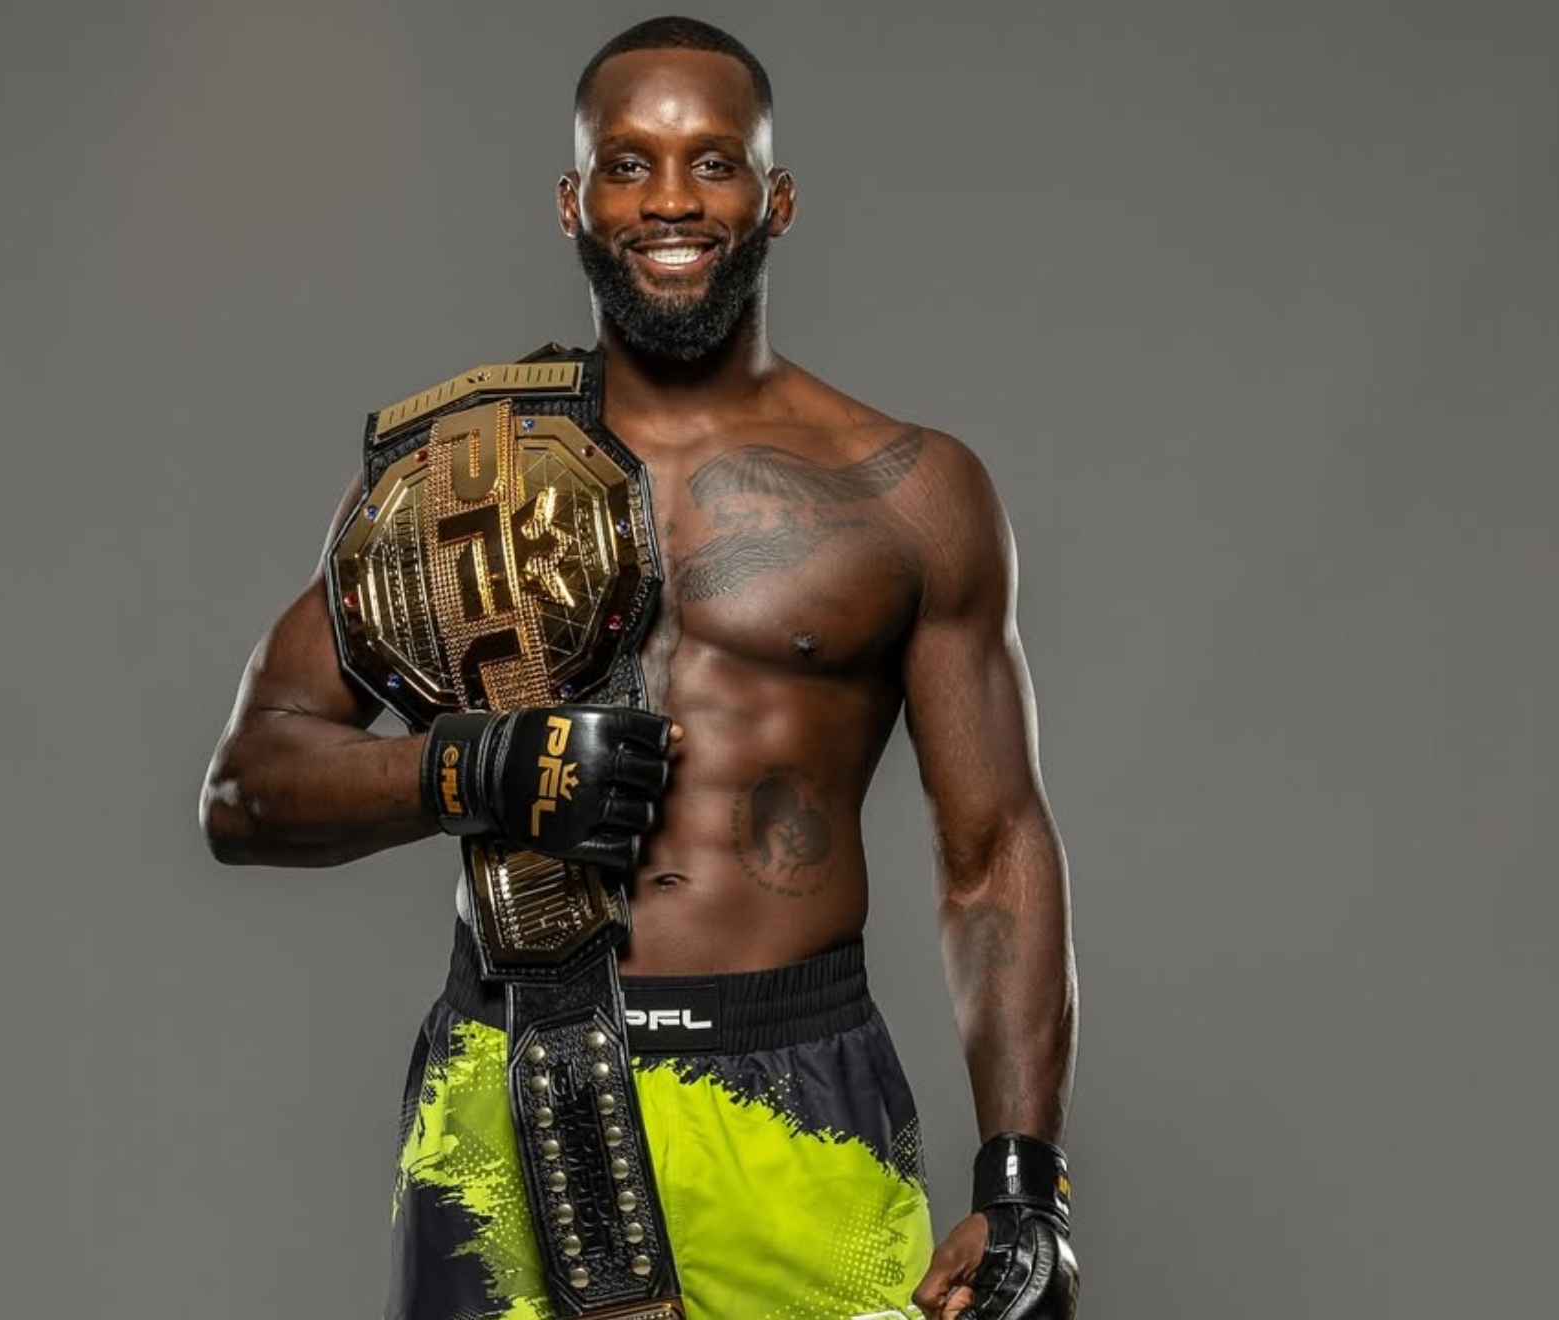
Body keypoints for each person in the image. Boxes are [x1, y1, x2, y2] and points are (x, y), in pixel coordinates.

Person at [201, 16, 1078, 1320]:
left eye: (713, 162)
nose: (672, 199)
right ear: (574, 201)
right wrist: (475, 768)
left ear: (774, 196)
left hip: (795, 1095)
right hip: (511, 1087)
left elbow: (994, 845)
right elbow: (246, 790)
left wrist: (1022, 1186)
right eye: (629, 164)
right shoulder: (452, 479)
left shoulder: (909, 495)